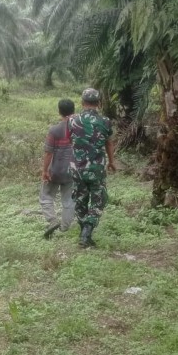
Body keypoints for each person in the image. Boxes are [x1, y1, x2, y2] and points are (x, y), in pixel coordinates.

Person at [69, 88, 116, 248]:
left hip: (77, 168)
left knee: (80, 200)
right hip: (96, 169)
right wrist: (111, 161)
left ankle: (85, 234)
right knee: (99, 200)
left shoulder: (72, 121)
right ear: (99, 103)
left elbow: (72, 141)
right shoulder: (105, 122)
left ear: (82, 103)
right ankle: (87, 232)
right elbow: (109, 143)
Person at [41, 98, 76, 239]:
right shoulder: (79, 129)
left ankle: (52, 221)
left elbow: (49, 153)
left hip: (55, 170)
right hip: (72, 170)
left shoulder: (54, 130)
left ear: (59, 111)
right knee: (69, 201)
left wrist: (44, 171)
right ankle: (64, 228)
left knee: (45, 196)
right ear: (73, 110)